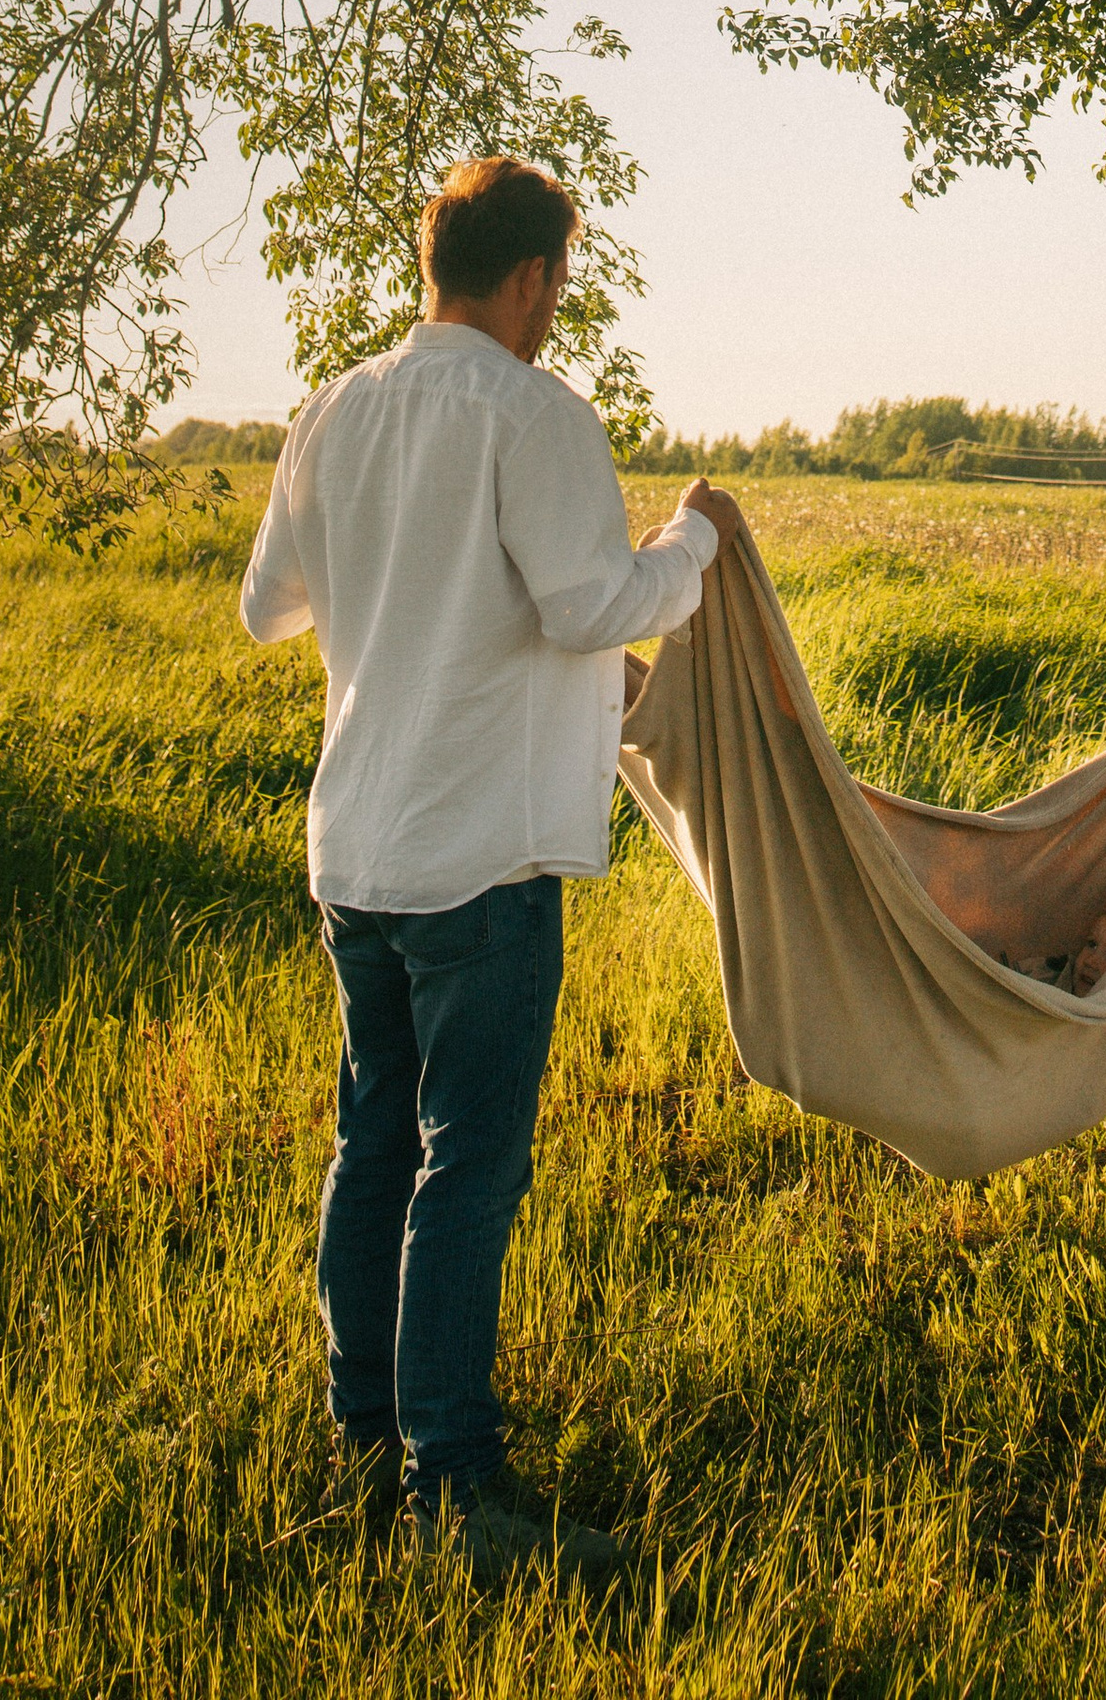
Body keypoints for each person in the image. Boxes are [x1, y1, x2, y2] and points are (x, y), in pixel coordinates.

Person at [240, 155, 740, 1582]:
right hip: (479, 855)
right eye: (559, 284)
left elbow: (266, 606)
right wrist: (693, 538)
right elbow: (592, 603)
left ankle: (366, 1435)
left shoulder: (333, 408)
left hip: (355, 848)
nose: (554, 308)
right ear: (533, 276)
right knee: (466, 1169)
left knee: (372, 1145)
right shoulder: (536, 413)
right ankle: (456, 1488)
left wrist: (401, 581)